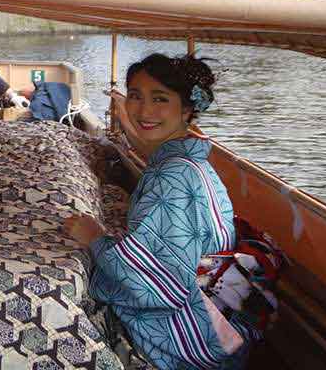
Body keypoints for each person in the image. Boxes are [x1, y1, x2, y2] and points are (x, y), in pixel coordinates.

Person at [64, 53, 251, 370]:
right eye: (135, 96)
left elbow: (157, 285)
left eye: (160, 99)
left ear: (188, 110)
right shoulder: (189, 163)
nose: (144, 110)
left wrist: (95, 237)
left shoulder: (172, 180)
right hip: (216, 319)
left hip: (189, 342)